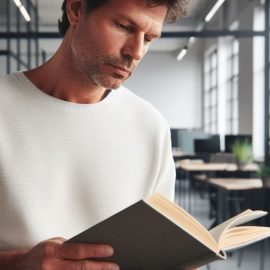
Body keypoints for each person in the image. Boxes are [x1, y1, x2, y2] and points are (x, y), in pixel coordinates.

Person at [0, 0, 189, 269]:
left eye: (148, 38)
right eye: (123, 26)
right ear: (76, 9)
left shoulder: (151, 127)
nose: (135, 51)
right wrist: (17, 264)